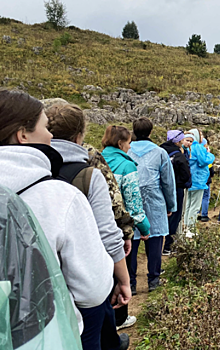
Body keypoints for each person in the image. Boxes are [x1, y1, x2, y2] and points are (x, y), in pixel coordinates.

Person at [0, 90, 126, 350]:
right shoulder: (57, 196)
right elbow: (92, 289)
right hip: (39, 332)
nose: (50, 136)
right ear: (22, 134)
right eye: (45, 127)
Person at [46, 104, 136, 332]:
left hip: (39, 281)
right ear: (79, 135)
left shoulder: (29, 165)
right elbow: (109, 227)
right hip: (84, 277)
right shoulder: (89, 170)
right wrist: (123, 280)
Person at [81, 143, 136, 330]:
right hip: (92, 246)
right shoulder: (91, 157)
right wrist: (127, 231)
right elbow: (115, 203)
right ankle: (115, 323)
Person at [128, 118, 177, 292]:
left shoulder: (127, 151)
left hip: (130, 201)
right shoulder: (160, 152)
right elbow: (168, 182)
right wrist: (171, 205)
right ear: (150, 132)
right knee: (156, 240)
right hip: (154, 200)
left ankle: (130, 283)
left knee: (131, 242)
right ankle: (153, 280)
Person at [101, 125, 151, 296]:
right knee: (121, 270)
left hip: (96, 224)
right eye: (129, 143)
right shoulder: (127, 166)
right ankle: (121, 315)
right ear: (121, 143)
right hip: (119, 226)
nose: (130, 146)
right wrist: (144, 227)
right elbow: (133, 202)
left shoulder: (95, 160)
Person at [160, 130, 191, 255]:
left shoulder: (160, 151)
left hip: (159, 187)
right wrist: (184, 183)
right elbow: (185, 174)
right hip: (176, 189)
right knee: (174, 216)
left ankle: (156, 245)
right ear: (178, 141)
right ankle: (168, 246)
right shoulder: (178, 156)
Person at [184, 129, 215, 236]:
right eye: (200, 134)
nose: (201, 136)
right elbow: (204, 161)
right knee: (195, 206)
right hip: (198, 180)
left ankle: (185, 227)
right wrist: (210, 154)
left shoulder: (187, 147)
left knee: (187, 205)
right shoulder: (198, 147)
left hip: (189, 180)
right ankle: (190, 229)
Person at [197, 139, 214, 222]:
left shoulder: (194, 152)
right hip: (206, 179)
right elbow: (211, 170)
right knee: (205, 197)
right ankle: (204, 214)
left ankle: (196, 213)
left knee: (197, 197)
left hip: (196, 179)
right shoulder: (206, 155)